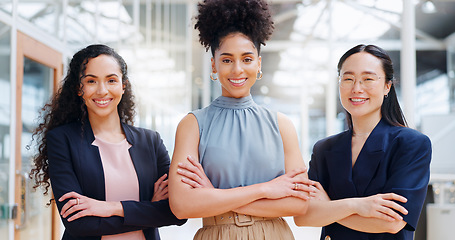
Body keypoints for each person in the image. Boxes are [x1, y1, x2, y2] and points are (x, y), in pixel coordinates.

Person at [168, 0, 315, 239]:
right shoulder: (193, 124)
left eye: (247, 59)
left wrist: (213, 194)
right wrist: (266, 190)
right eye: (227, 60)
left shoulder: (282, 125)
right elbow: (182, 205)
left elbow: (299, 204)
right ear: (214, 65)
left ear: (259, 63)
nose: (237, 69)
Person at [30, 44, 186, 240]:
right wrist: (149, 209)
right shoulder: (62, 140)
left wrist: (110, 207)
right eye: (91, 81)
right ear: (79, 88)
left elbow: (178, 212)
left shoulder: (150, 141)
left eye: (111, 80)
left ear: (123, 86)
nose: (102, 90)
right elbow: (78, 224)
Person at [294, 44, 432, 240]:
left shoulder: (411, 144)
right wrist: (356, 205)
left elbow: (392, 222)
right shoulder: (324, 149)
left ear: (387, 86)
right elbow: (303, 216)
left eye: (368, 79)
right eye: (348, 79)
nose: (357, 88)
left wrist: (329, 207)